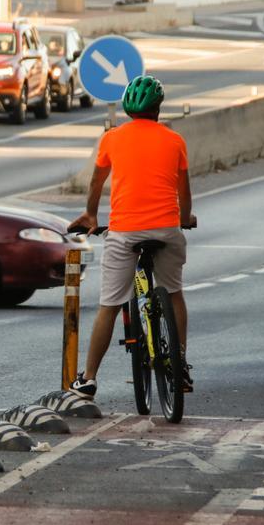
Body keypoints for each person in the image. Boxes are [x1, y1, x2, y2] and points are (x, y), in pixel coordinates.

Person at [66, 75, 196, 399]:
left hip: (124, 232)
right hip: (166, 230)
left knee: (109, 305)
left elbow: (97, 181)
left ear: (127, 109)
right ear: (158, 109)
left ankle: (89, 378)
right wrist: (184, 218)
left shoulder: (112, 138)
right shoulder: (175, 140)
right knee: (174, 293)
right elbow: (184, 191)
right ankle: (179, 363)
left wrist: (91, 215)